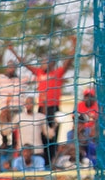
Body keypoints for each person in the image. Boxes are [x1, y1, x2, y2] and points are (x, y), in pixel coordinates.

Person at [8, 36, 76, 166]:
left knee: (53, 136)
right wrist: (13, 51)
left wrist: (74, 44)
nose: (43, 63)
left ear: (52, 63)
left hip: (53, 109)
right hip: (41, 109)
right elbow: (25, 63)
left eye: (45, 61)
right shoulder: (39, 73)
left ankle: (51, 162)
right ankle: (43, 162)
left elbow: (68, 61)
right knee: (42, 137)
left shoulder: (57, 73)